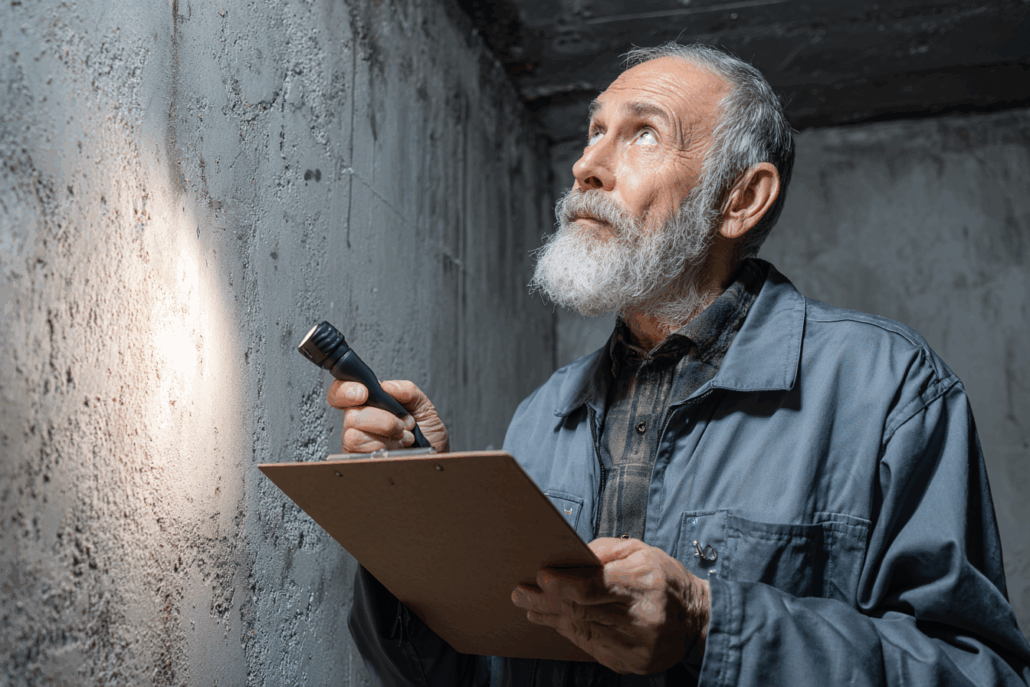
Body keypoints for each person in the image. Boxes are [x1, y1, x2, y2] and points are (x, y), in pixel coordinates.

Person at [328, 43, 1030, 686]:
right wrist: (424, 523)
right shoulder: (542, 414)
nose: (587, 165)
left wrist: (705, 619)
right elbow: (468, 674)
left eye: (642, 133)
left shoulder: (891, 388)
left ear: (741, 199)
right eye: (594, 130)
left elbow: (980, 673)